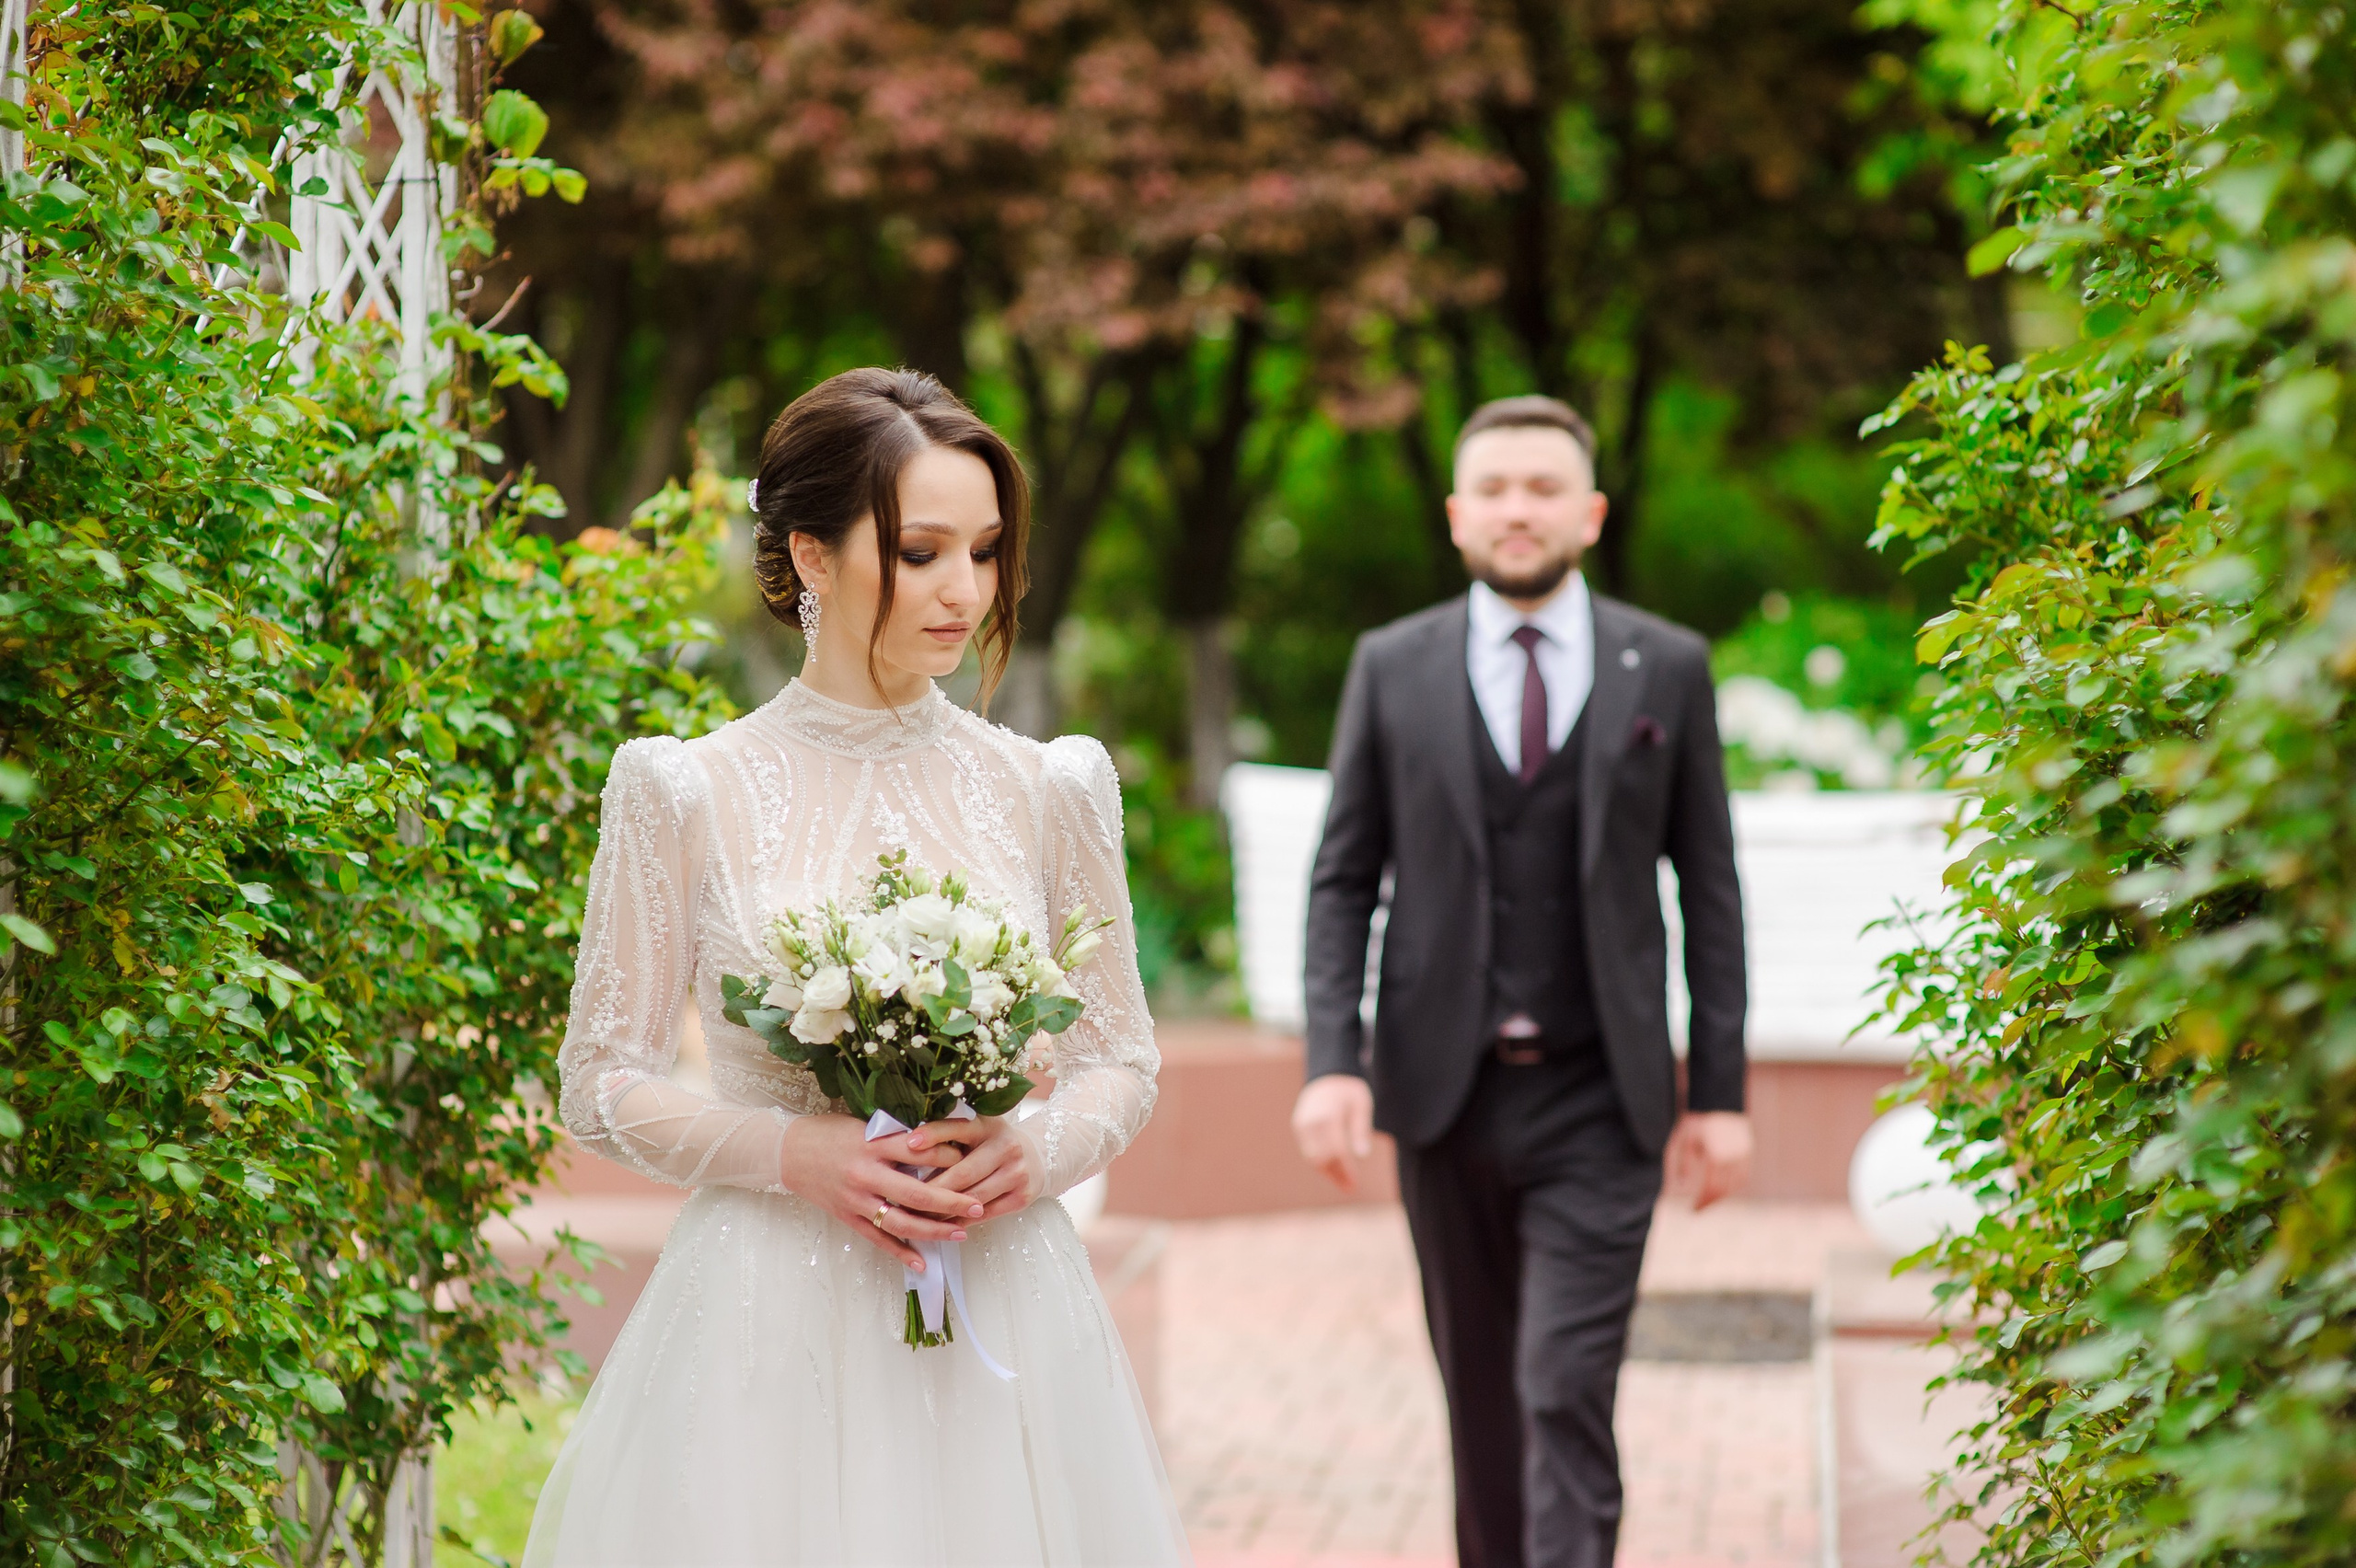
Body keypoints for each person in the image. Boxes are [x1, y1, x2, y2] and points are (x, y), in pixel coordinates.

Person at [523, 368, 1188, 1566]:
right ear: (812, 556)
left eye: (984, 553)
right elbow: (599, 1080)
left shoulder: (1052, 786)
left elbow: (1117, 1057)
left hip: (999, 1296)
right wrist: (801, 1153)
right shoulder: (683, 789)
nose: (964, 592)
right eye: (922, 550)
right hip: (767, 1310)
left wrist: (1029, 1152)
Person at [1290, 395, 1752, 1568]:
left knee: (1560, 1384)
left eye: (1543, 487)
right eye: (1492, 488)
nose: (1516, 509)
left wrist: (1722, 1095)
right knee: (1483, 1402)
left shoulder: (1671, 666)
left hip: (1604, 1097)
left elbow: (1711, 891)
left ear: (1590, 513)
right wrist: (1331, 1066)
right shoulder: (1390, 667)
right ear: (1455, 515)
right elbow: (1343, 882)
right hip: (1443, 1096)